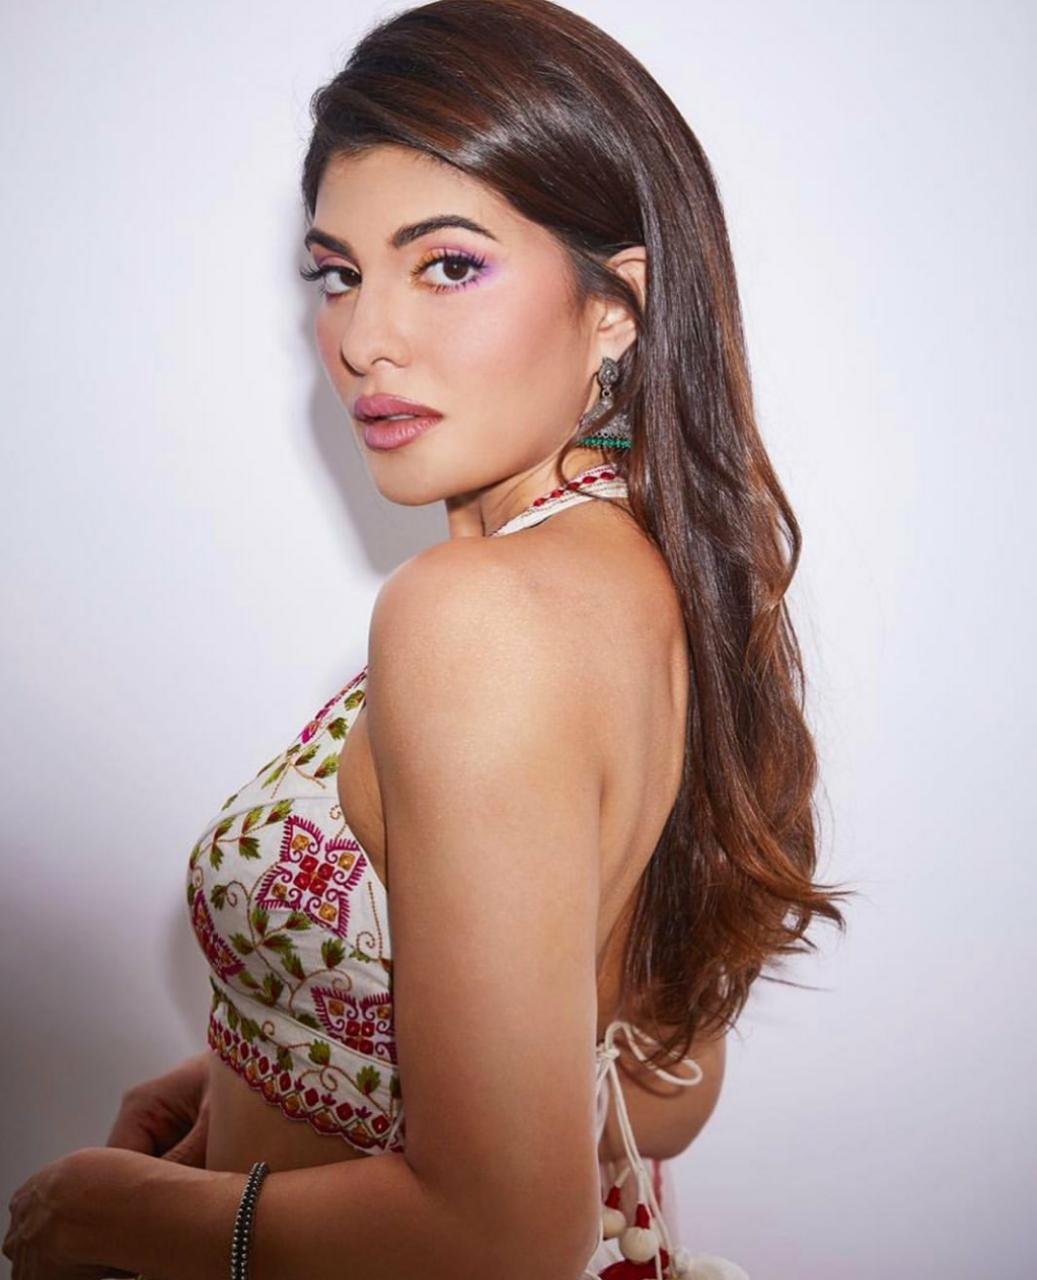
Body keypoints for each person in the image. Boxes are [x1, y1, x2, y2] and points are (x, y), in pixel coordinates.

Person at [3, 1, 852, 1277]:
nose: (362, 339)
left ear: (616, 303)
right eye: (337, 273)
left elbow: (500, 1232)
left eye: (446, 265)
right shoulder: (659, 582)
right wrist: (275, 1052)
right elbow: (662, 1083)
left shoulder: (474, 616)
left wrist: (101, 1207)